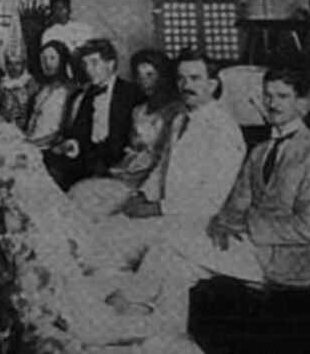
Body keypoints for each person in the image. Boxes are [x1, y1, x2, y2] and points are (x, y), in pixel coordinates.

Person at [106, 67, 310, 338]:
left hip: (285, 262)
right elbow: (236, 203)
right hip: (243, 246)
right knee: (171, 261)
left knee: (168, 235)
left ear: (302, 103)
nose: (273, 104)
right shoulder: (261, 151)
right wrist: (223, 225)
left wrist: (247, 227)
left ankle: (129, 300)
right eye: (268, 96)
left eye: (282, 96)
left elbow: (309, 229)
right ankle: (168, 333)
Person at [89, 48, 246, 270]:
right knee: (102, 226)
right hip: (166, 211)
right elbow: (161, 169)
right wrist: (143, 195)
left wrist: (156, 208)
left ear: (212, 85)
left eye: (194, 78)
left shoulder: (224, 129)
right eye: (181, 78)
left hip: (194, 221)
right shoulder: (180, 119)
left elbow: (213, 199)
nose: (186, 85)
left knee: (107, 245)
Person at [69, 49, 183, 219]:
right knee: (78, 193)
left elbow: (167, 160)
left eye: (150, 75)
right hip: (126, 173)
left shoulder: (176, 112)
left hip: (149, 182)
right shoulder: (139, 110)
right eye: (139, 76)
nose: (144, 81)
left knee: (88, 203)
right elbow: (130, 149)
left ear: (163, 76)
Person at [45, 38, 143, 189]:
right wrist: (72, 144)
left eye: (94, 62)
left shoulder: (131, 94)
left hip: (118, 165)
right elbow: (80, 133)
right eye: (85, 64)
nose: (88, 69)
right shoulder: (88, 93)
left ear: (110, 64)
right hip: (88, 162)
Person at [25, 39, 74, 145]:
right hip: (30, 142)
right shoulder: (42, 89)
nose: (48, 63)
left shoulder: (69, 92)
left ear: (62, 60)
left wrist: (33, 143)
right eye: (44, 59)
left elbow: (61, 132)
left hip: (48, 148)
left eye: (52, 58)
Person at [0, 48, 40, 129]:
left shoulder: (31, 83)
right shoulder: (2, 82)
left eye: (17, 63)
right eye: (10, 64)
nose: (13, 67)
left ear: (24, 65)